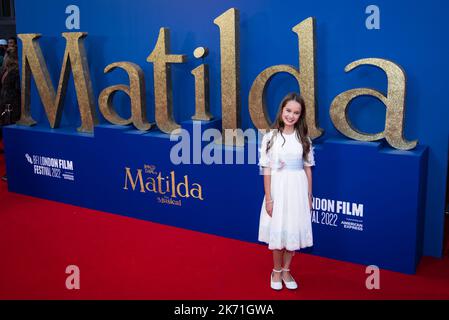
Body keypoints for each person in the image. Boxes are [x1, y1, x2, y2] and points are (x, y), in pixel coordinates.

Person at [258, 92, 315, 291]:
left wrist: (309, 195)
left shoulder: (304, 138)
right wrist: (268, 198)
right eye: (288, 110)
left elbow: (308, 168)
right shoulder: (270, 137)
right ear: (282, 110)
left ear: (300, 116)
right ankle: (275, 271)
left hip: (298, 188)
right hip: (278, 188)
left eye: (296, 113)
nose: (291, 115)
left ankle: (286, 270)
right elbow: (266, 169)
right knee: (278, 231)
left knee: (293, 230)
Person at [0, 46, 20, 181]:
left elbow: (18, 93)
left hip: (12, 110)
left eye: (8, 57)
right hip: (5, 108)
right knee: (8, 141)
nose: (5, 59)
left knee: (12, 142)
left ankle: (12, 171)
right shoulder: (6, 71)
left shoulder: (16, 73)